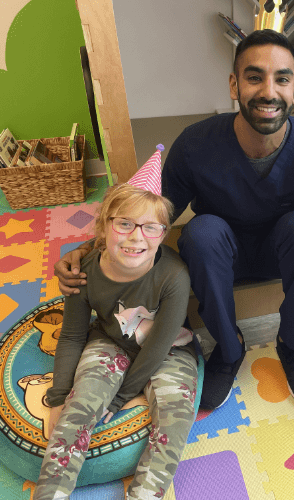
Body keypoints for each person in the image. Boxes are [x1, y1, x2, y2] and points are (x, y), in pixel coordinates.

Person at [54, 30, 294, 411]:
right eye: (255, 77)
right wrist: (90, 249)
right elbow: (146, 212)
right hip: (218, 257)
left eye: (282, 79)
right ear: (234, 84)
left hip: (283, 253)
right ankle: (229, 348)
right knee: (201, 232)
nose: (269, 91)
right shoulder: (195, 144)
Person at [34, 147, 198, 500]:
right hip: (109, 342)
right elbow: (73, 335)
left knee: (175, 418)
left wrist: (121, 395)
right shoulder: (86, 270)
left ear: (163, 232)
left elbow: (157, 346)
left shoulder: (174, 275)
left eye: (151, 227)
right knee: (81, 404)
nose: (137, 236)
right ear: (103, 225)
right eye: (124, 223)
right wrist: (60, 396)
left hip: (169, 350)